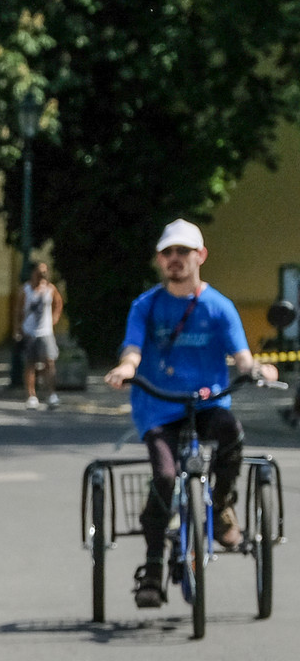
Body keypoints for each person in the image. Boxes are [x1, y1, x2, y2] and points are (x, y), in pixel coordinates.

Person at [103, 219, 274, 608]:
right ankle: (153, 568)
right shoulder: (146, 306)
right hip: (158, 407)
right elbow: (132, 349)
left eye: (183, 251)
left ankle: (222, 504)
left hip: (206, 405)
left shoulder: (219, 306)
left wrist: (257, 370)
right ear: (159, 260)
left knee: (231, 432)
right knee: (165, 476)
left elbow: (242, 357)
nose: (175, 259)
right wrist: (127, 368)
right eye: (168, 252)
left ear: (201, 256)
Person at [14, 261, 64, 409]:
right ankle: (31, 396)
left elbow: (58, 303)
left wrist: (54, 318)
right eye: (39, 271)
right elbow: (18, 310)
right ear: (33, 273)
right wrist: (18, 328)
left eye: (45, 271)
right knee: (30, 364)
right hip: (29, 332)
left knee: (49, 362)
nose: (43, 274)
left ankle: (52, 395)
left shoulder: (50, 289)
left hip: (46, 332)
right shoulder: (26, 290)